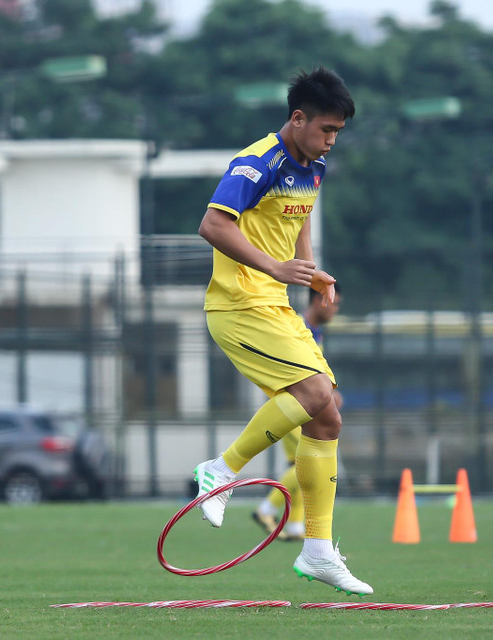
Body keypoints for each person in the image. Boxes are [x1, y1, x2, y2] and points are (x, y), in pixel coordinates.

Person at [194, 68, 372, 596]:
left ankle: (317, 550)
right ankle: (221, 470)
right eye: (326, 129)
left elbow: (300, 219)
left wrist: (311, 272)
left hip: (272, 306)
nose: (331, 140)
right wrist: (275, 266)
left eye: (338, 132)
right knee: (317, 393)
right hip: (239, 306)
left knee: (327, 417)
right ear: (297, 118)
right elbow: (212, 225)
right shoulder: (257, 162)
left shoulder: (313, 165)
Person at [252, 283, 342, 541]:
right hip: (295, 406)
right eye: (334, 303)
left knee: (303, 464)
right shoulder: (298, 327)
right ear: (319, 300)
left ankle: (294, 526)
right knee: (307, 462)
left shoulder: (315, 332)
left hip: (307, 405)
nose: (335, 309)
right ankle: (266, 509)